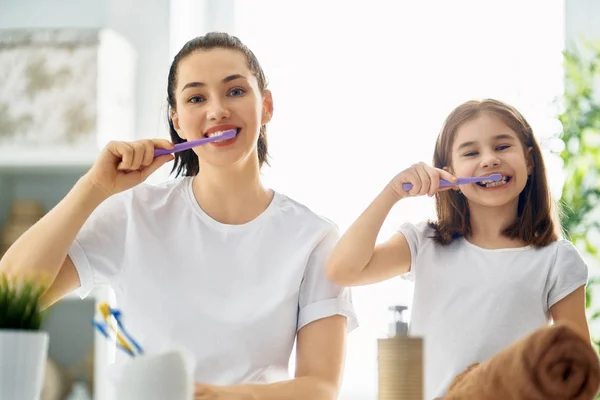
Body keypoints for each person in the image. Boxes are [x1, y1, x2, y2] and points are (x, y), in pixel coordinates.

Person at [0, 32, 357, 400]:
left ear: (265, 105)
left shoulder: (314, 237)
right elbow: (9, 296)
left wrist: (217, 396)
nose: (217, 109)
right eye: (196, 97)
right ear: (177, 120)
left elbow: (320, 387)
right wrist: (93, 187)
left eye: (235, 91)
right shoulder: (133, 213)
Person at [325, 99, 590, 399]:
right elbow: (343, 269)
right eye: (471, 152)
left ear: (529, 161)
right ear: (449, 173)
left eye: (502, 147)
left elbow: (576, 366)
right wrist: (393, 192)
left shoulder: (555, 259)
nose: (489, 160)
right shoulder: (424, 242)